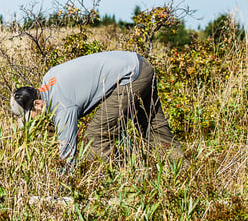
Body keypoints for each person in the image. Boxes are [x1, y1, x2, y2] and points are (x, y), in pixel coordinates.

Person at [10, 50, 180, 163]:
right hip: (140, 65)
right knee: (153, 126)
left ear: (38, 104)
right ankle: (182, 169)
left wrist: (65, 180)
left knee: (97, 137)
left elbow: (67, 150)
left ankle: (113, 182)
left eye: (29, 117)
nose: (32, 122)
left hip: (130, 76)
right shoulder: (49, 79)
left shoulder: (63, 105)